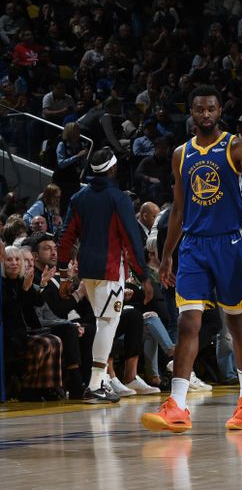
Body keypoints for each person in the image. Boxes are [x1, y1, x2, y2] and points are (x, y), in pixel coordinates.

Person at [140, 86, 242, 433]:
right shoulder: (180, 154)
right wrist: (167, 253)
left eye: (211, 109)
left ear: (219, 111)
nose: (205, 114)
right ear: (191, 112)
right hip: (194, 248)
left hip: (231, 244)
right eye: (199, 109)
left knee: (236, 324)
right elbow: (178, 210)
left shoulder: (236, 146)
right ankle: (178, 404)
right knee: (188, 322)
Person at [57, 148, 153, 403]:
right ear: (113, 169)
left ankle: (99, 382)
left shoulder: (79, 197)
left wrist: (64, 275)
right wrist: (143, 275)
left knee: (104, 322)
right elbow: (132, 240)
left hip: (87, 270)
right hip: (110, 269)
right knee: (107, 324)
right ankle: (96, 383)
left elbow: (66, 237)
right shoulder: (118, 198)